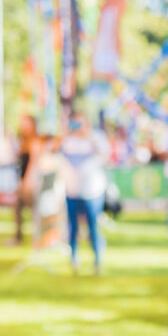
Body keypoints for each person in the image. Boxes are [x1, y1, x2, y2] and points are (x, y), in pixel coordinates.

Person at [59, 110, 108, 275]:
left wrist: (88, 136)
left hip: (92, 190)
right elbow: (54, 151)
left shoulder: (95, 137)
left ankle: (97, 260)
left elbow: (105, 155)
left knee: (93, 226)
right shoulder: (67, 140)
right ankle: (74, 260)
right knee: (73, 227)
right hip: (72, 190)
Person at [11, 114, 45, 245]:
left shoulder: (35, 141)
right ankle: (19, 237)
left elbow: (33, 163)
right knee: (18, 207)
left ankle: (34, 237)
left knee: (32, 209)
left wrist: (27, 182)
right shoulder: (23, 140)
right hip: (24, 180)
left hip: (30, 182)